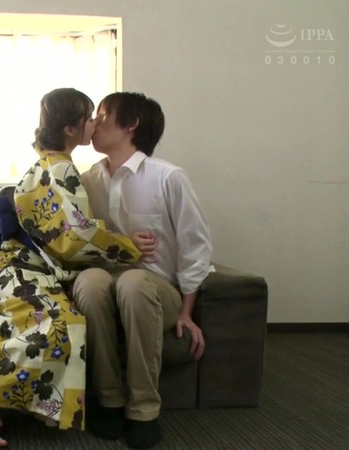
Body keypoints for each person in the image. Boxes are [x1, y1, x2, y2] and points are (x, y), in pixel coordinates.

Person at [0, 88, 146, 449]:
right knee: (58, 326)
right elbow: (74, 236)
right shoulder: (59, 168)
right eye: (89, 117)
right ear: (70, 129)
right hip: (18, 271)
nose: (94, 123)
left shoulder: (51, 163)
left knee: (58, 323)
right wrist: (127, 246)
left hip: (22, 272)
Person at [73, 92, 214, 448]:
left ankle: (143, 409)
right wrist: (120, 243)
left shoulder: (169, 177)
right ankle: (109, 399)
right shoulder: (88, 181)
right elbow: (82, 241)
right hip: (106, 283)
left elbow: (196, 248)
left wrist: (187, 311)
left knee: (134, 282)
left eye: (103, 114)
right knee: (89, 281)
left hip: (157, 290)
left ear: (131, 124)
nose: (95, 122)